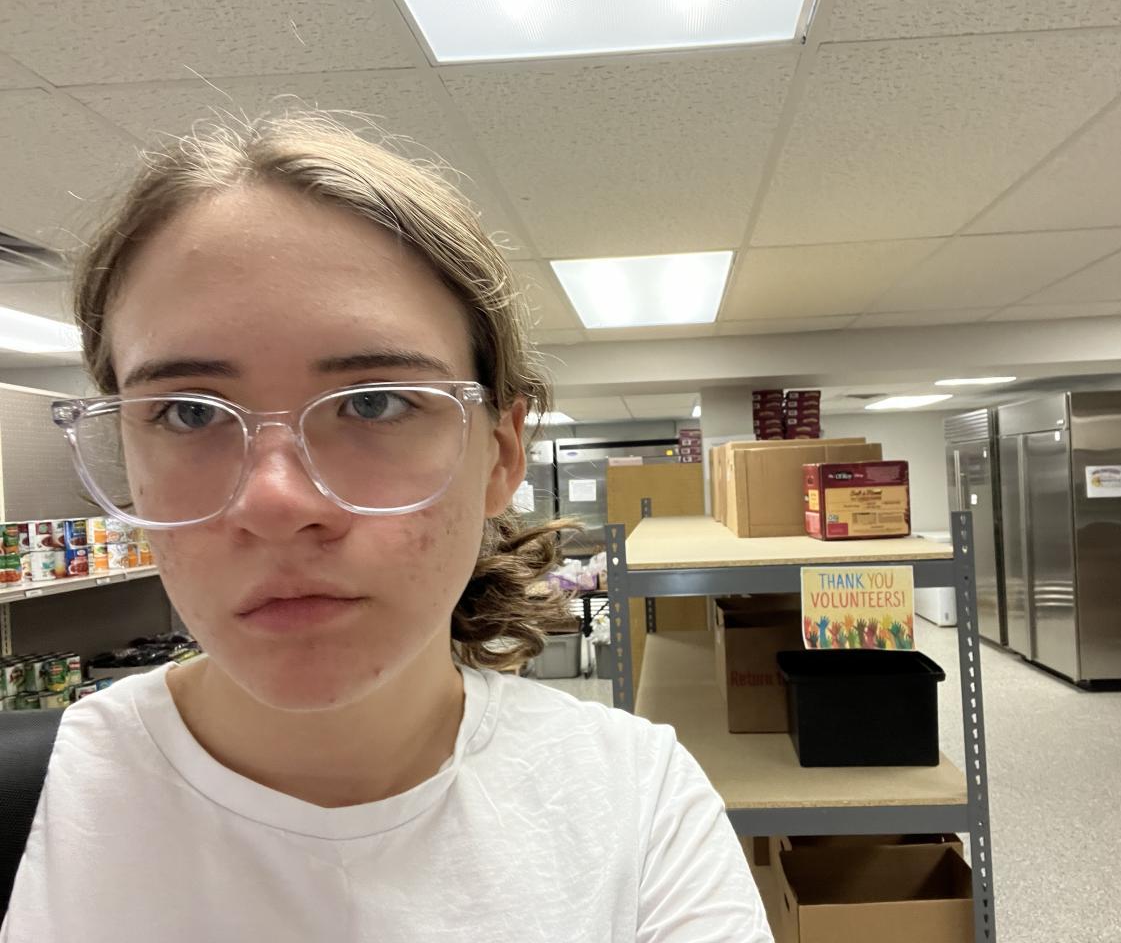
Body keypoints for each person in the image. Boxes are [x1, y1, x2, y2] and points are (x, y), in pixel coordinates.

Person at [1, 112, 772, 942]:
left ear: (500, 455)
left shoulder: (637, 807)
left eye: (374, 403)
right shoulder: (36, 807)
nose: (276, 503)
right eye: (190, 413)